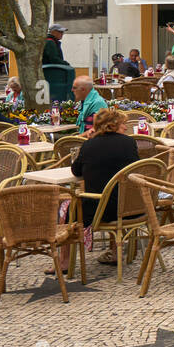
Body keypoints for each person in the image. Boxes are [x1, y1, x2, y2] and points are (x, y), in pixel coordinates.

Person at [63, 107, 139, 269]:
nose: (126, 127)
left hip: (98, 210)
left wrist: (90, 141)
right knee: (114, 191)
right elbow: (135, 169)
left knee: (65, 208)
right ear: (112, 125)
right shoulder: (129, 143)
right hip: (129, 208)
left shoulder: (89, 146)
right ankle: (114, 251)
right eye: (123, 124)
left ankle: (64, 262)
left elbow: (76, 171)